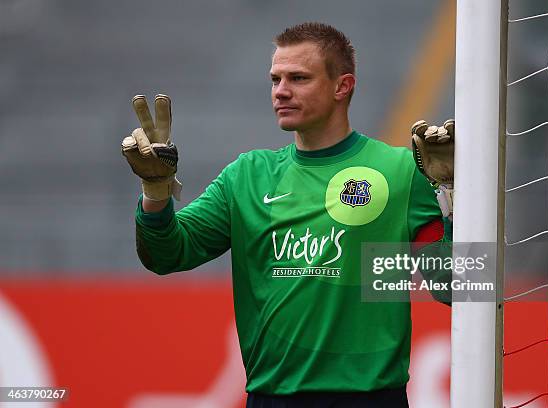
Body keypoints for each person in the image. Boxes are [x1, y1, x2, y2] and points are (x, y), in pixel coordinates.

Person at [121, 22, 454, 408]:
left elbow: (456, 287)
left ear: (342, 86)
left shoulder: (402, 170)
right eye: (275, 79)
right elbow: (166, 255)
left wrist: (451, 200)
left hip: (371, 399)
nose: (281, 90)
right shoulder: (246, 176)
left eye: (298, 78)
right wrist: (156, 193)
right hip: (272, 399)